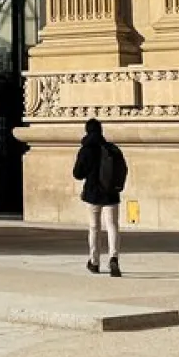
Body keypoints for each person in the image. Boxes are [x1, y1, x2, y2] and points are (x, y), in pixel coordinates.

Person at [72, 117, 127, 277]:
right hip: (111, 193)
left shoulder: (86, 150)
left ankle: (94, 261)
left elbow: (77, 174)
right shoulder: (111, 148)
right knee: (112, 226)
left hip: (93, 193)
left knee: (94, 227)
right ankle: (114, 258)